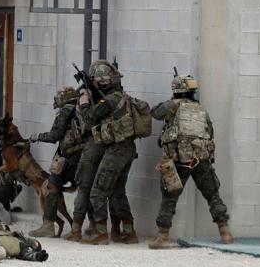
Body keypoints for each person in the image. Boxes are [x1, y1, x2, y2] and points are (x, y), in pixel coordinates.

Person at [148, 72, 234, 249]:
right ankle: (225, 232)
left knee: (169, 199)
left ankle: (163, 237)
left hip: (177, 161)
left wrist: (171, 101)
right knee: (212, 195)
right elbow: (210, 131)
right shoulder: (201, 109)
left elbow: (154, 113)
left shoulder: (172, 105)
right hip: (200, 160)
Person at [76, 60, 138, 245]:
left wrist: (84, 101)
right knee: (117, 192)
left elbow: (88, 119)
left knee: (98, 191)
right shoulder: (120, 96)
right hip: (125, 148)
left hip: (116, 149)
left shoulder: (110, 100)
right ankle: (129, 232)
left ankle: (101, 232)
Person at [28, 86, 84, 237]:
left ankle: (48, 226)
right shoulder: (81, 109)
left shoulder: (66, 111)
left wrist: (37, 136)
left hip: (70, 157)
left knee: (52, 185)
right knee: (85, 190)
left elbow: (55, 135)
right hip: (84, 157)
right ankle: (89, 227)